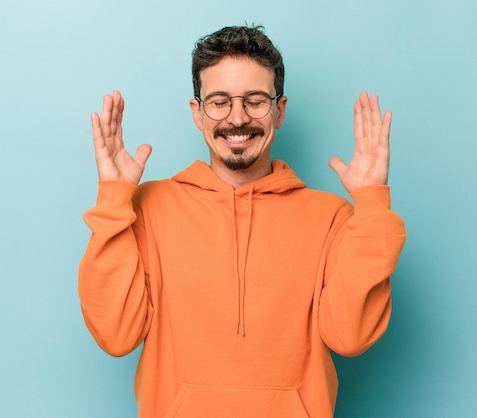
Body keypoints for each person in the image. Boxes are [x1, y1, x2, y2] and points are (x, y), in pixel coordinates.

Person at [79, 25, 406, 418]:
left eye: (255, 101)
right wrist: (115, 199)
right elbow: (116, 335)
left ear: (280, 111)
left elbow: (350, 337)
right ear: (197, 113)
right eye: (219, 102)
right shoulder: (150, 207)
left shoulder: (331, 218)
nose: (237, 118)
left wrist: (371, 205)